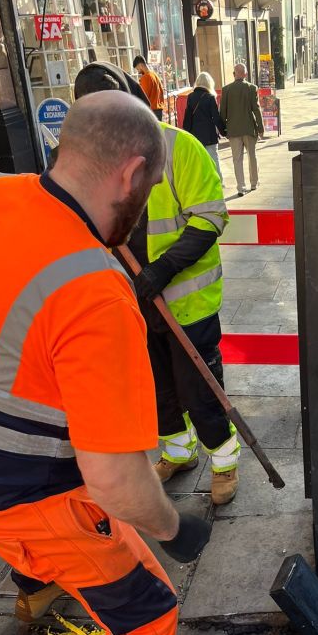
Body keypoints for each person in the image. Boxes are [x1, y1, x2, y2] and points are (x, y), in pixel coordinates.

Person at [0, 93, 212, 635]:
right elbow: (114, 483)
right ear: (130, 173)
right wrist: (173, 527)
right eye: (150, 188)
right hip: (14, 497)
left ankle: (36, 591)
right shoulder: (95, 292)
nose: (144, 211)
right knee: (148, 611)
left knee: (68, 545)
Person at [74, 63, 239, 509]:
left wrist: (162, 270)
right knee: (156, 390)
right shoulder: (98, 161)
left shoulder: (177, 147)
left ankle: (223, 460)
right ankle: (178, 452)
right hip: (132, 304)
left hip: (185, 301)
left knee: (198, 389)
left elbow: (210, 216)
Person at [220, 63, 264, 198]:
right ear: (245, 74)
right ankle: (254, 183)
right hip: (249, 128)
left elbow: (223, 112)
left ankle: (241, 186)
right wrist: (261, 128)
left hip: (233, 130)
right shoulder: (251, 88)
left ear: (234, 74)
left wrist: (223, 130)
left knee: (237, 159)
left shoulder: (226, 89)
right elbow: (256, 109)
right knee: (252, 156)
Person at [182, 71, 227, 181]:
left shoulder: (190, 97)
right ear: (209, 83)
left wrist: (186, 133)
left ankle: (202, 183)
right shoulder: (210, 97)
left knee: (198, 161)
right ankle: (218, 181)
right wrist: (224, 131)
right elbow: (216, 117)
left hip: (195, 135)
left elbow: (187, 117)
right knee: (214, 160)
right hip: (209, 135)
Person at [133, 54, 165, 120]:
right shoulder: (154, 75)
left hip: (151, 111)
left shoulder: (145, 77)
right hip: (159, 110)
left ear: (140, 65)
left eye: (137, 69)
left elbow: (143, 96)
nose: (138, 71)